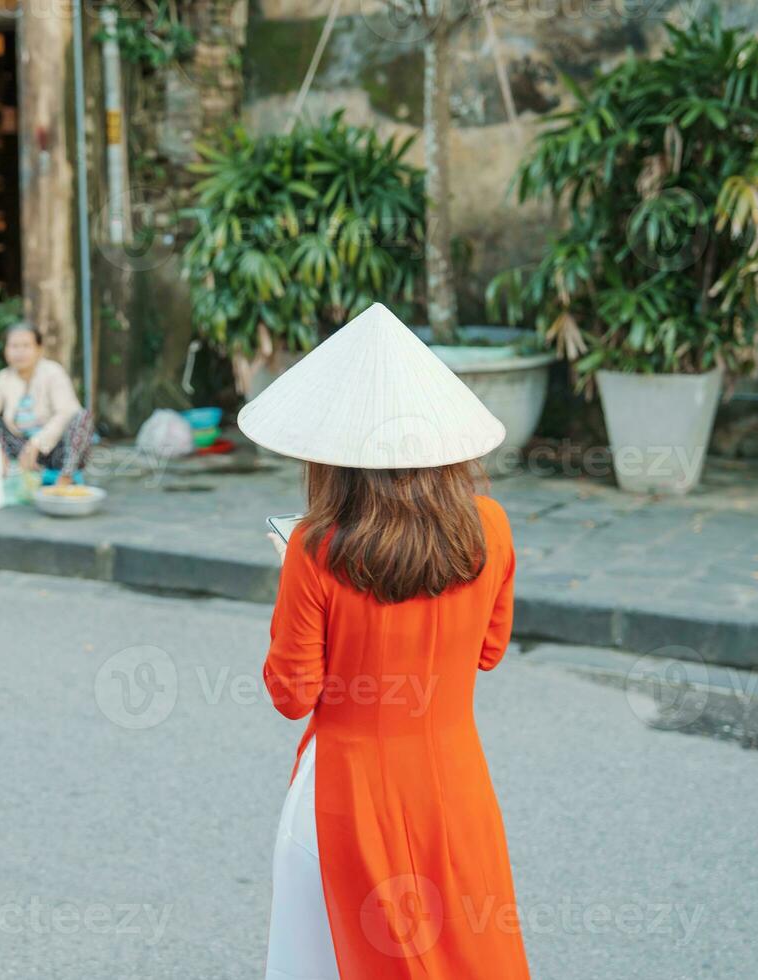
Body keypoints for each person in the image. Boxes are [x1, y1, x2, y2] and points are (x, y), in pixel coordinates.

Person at [240, 303, 529, 980]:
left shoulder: (315, 549)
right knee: (466, 958)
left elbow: (292, 695)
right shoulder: (492, 526)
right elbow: (489, 650)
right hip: (456, 786)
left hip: (347, 793)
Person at [0, 323, 93, 484]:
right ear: (5, 350)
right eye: (14, 346)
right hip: (21, 451)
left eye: (26, 346)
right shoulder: (4, 378)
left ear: (39, 349)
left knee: (82, 417)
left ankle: (65, 478)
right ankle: (8, 469)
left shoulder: (53, 373)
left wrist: (38, 443)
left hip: (56, 450)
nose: (19, 352)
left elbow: (66, 412)